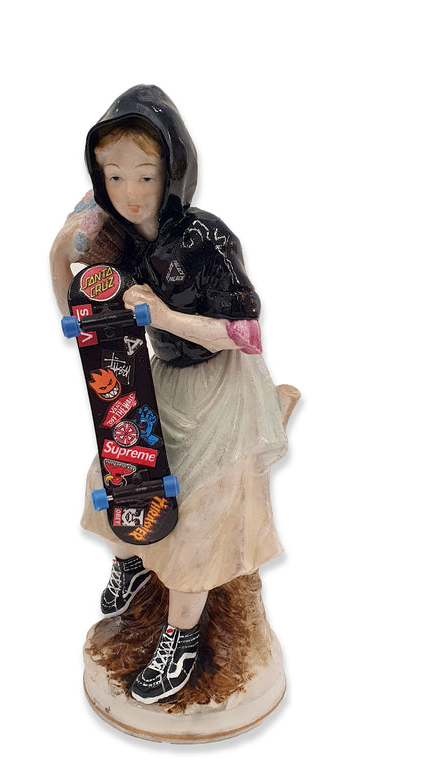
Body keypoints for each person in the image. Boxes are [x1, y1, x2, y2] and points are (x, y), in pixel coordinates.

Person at [52, 85, 288, 705]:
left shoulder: (206, 238)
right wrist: (59, 255)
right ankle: (132, 560)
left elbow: (247, 334)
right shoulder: (117, 235)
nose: (130, 192)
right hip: (156, 373)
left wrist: (163, 316)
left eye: (146, 175)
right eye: (114, 175)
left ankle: (181, 637)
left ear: (174, 172)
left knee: (199, 517)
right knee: (116, 472)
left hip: (218, 381)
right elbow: (76, 303)